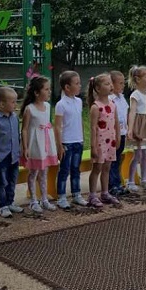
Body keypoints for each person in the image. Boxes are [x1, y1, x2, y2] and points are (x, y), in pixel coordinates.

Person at [20, 76, 58, 213]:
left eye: (49, 89)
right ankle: (33, 201)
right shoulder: (29, 109)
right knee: (34, 172)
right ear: (37, 92)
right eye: (46, 89)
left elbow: (47, 124)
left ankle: (44, 199)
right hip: (35, 144)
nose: (49, 92)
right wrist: (25, 147)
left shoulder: (47, 106)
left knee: (44, 172)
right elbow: (24, 129)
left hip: (46, 142)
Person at [0, 87, 24, 218]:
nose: (15, 104)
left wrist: (20, 149)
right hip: (2, 157)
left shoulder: (15, 118)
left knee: (12, 180)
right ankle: (2, 206)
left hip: (14, 156)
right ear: (2, 104)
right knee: (2, 182)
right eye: (13, 102)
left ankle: (10, 202)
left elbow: (17, 135)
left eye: (16, 101)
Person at [54, 70, 88, 209]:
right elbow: (57, 126)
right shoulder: (61, 104)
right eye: (77, 83)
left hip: (78, 141)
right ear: (67, 87)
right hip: (67, 142)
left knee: (76, 169)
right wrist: (59, 145)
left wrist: (82, 138)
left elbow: (79, 121)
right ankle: (61, 196)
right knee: (64, 170)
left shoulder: (79, 101)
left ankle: (76, 194)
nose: (80, 85)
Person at [87, 74, 121, 208]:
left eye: (110, 83)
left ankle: (105, 193)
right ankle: (92, 195)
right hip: (100, 142)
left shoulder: (113, 104)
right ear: (97, 88)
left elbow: (116, 122)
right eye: (107, 84)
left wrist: (118, 137)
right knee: (97, 168)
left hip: (110, 141)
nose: (110, 86)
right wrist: (93, 146)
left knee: (107, 167)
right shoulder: (96, 107)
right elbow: (93, 128)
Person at [126, 66, 146, 191]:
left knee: (145, 155)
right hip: (139, 127)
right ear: (138, 79)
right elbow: (132, 112)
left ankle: (144, 179)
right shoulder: (135, 95)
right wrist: (130, 129)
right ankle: (131, 181)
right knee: (137, 155)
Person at [108, 71, 129, 196]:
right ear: (112, 84)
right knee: (112, 160)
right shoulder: (110, 99)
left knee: (118, 158)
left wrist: (127, 130)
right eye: (120, 83)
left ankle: (117, 183)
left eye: (123, 83)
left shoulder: (122, 97)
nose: (123, 85)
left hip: (122, 133)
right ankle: (112, 185)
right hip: (113, 134)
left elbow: (125, 114)